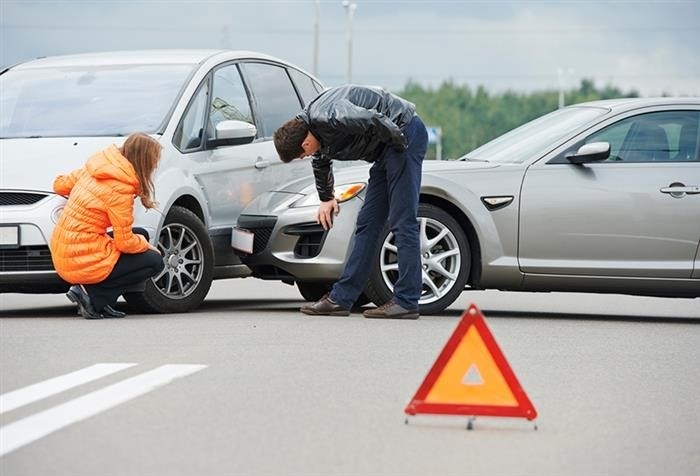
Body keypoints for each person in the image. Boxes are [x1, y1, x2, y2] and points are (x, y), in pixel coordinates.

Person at [273, 85, 428, 319]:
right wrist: (326, 198)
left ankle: (407, 300)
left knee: (402, 219)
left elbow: (373, 119)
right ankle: (341, 299)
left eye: (301, 155)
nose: (305, 157)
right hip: (387, 150)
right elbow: (321, 160)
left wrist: (400, 148)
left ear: (305, 143)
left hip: (403, 136)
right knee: (367, 223)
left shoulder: (331, 116)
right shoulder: (312, 127)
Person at [50, 132, 165, 319]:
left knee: (141, 233)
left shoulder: (98, 166)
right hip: (79, 257)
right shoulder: (121, 189)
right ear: (143, 161)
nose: (155, 165)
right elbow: (125, 242)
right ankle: (93, 296)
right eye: (154, 161)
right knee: (154, 261)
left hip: (64, 247)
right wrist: (147, 245)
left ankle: (99, 299)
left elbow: (59, 185)